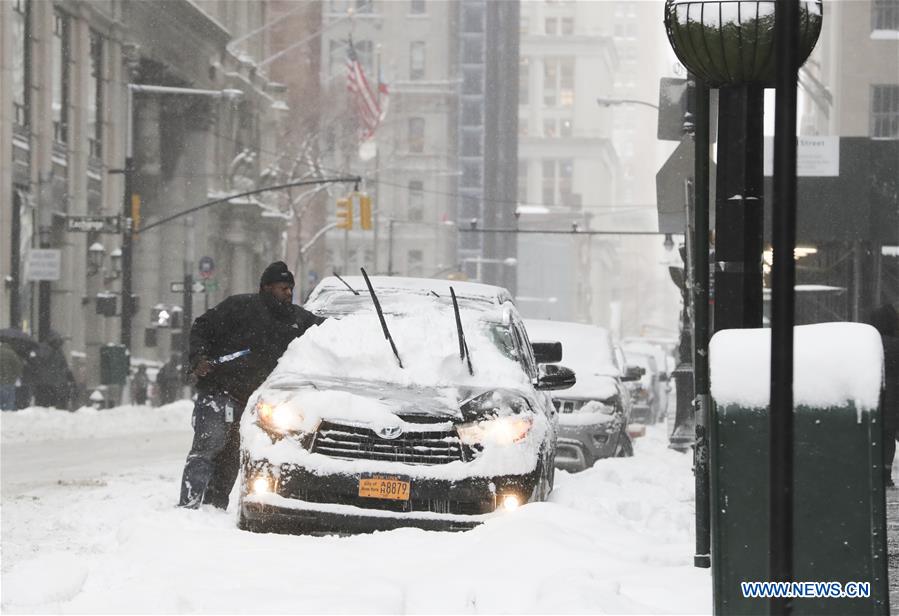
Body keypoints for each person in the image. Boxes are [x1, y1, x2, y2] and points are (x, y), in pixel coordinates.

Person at [178, 261, 325, 509]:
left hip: (250, 403)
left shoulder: (297, 320)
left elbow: (329, 330)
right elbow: (202, 326)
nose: (288, 293)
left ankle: (213, 508)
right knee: (207, 448)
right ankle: (188, 507)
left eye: (291, 288)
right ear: (266, 288)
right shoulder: (239, 307)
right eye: (283, 288)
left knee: (231, 460)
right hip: (218, 393)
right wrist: (199, 358)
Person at [869, 303, 899, 487]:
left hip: (874, 394)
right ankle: (886, 473)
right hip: (894, 397)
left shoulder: (869, 344)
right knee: (888, 436)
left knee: (875, 435)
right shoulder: (896, 345)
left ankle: (874, 470)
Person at [25, 331, 74, 409]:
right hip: (47, 383)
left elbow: (63, 365)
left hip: (47, 383)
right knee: (47, 404)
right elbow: (63, 365)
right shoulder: (49, 350)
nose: (58, 343)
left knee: (46, 404)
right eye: (56, 341)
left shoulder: (54, 350)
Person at [0, 342, 24, 411]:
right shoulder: (12, 354)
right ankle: (8, 412)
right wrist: (17, 376)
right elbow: (18, 367)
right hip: (9, 380)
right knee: (9, 399)